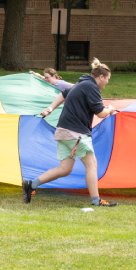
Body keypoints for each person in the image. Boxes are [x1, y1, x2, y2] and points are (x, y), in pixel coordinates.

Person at [22, 58, 117, 207]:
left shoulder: (80, 84)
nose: (107, 82)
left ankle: (31, 184)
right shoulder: (91, 88)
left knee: (65, 169)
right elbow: (101, 113)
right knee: (92, 164)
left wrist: (50, 108)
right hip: (75, 132)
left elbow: (63, 94)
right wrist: (110, 109)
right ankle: (96, 200)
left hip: (63, 131)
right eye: (107, 79)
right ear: (101, 77)